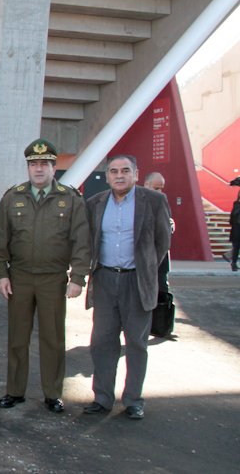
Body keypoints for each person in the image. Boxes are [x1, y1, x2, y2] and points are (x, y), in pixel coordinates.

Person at [0, 139, 91, 414]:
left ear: (54, 168)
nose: (38, 169)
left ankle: (53, 393)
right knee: (17, 338)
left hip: (53, 279)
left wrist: (77, 278)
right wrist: (1, 274)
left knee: (53, 338)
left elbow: (81, 241)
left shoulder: (70, 199)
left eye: (44, 164)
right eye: (33, 164)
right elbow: (0, 240)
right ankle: (15, 391)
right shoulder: (13, 197)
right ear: (28, 167)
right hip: (19, 277)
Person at [82, 155, 171, 420]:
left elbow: (162, 242)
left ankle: (133, 400)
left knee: (136, 343)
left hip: (137, 281)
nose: (119, 176)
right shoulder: (95, 203)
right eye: (113, 171)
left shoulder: (154, 201)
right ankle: (102, 398)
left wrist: (145, 269)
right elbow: (90, 240)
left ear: (135, 173)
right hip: (105, 280)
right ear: (107, 176)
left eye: (125, 171)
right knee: (102, 342)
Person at [143, 172, 176, 282]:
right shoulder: (135, 202)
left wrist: (170, 226)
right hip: (143, 259)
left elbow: (167, 224)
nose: (159, 192)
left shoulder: (161, 200)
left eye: (161, 188)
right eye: (156, 188)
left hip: (161, 262)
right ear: (146, 184)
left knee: (162, 288)